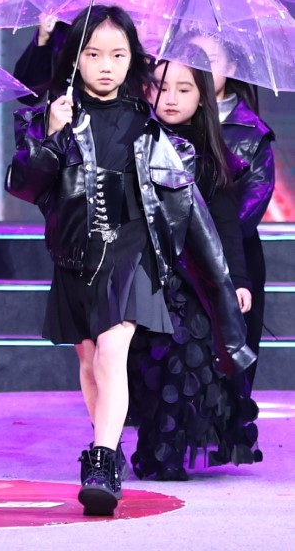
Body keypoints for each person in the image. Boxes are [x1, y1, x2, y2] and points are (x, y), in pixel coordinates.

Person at [7, 5, 252, 516]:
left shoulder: (147, 125)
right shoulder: (53, 114)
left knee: (111, 352)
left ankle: (99, 461)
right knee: (88, 361)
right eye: (94, 54)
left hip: (131, 252)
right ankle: (110, 447)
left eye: (118, 55)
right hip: (75, 255)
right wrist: (52, 135)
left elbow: (192, 212)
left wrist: (226, 287)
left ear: (132, 60)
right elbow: (24, 187)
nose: (106, 65)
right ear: (76, 58)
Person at [127, 54, 259, 478]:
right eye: (161, 87)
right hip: (144, 275)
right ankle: (151, 448)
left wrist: (238, 280)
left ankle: (168, 452)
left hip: (193, 281)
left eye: (183, 89)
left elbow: (226, 226)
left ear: (203, 97)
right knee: (148, 363)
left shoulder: (209, 156)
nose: (170, 98)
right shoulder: (134, 145)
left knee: (185, 357)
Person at [178, 33, 277, 395]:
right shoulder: (168, 122)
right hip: (177, 257)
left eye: (210, 61)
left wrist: (203, 237)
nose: (200, 68)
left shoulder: (253, 132)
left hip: (234, 256)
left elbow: (251, 203)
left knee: (232, 352)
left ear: (233, 68)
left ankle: (231, 420)